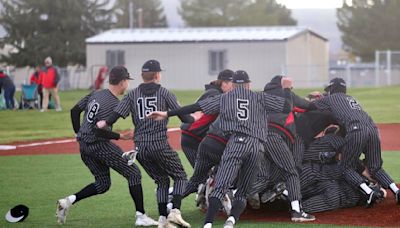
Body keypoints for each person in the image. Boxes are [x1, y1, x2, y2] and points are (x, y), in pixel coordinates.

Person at [148, 70, 293, 227]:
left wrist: (167, 113)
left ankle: (208, 223)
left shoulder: (224, 98)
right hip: (256, 146)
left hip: (234, 143)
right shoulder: (259, 97)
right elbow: (287, 107)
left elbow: (195, 106)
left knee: (219, 187)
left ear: (234, 84)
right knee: (243, 191)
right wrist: (287, 89)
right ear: (249, 84)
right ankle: (231, 221)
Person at [55, 66, 158, 226]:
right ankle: (141, 216)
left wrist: (78, 133)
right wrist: (121, 136)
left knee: (103, 184)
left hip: (84, 146)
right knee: (134, 173)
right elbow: (98, 130)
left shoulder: (97, 93)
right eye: (127, 81)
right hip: (99, 145)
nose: (127, 85)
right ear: (123, 82)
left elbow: (75, 111)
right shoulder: (112, 103)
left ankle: (67, 201)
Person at [97, 60, 193, 228]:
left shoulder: (132, 94)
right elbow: (186, 119)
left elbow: (116, 114)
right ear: (157, 75)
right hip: (159, 144)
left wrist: (103, 123)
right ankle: (175, 212)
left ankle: (163, 219)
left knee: (162, 180)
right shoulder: (164, 93)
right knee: (180, 177)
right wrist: (195, 117)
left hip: (140, 148)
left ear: (142, 76)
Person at [311, 77, 400, 207]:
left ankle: (368, 192)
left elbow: (309, 106)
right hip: (373, 130)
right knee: (375, 167)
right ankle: (396, 191)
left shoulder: (331, 98)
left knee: (346, 167)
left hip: (357, 130)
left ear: (332, 89)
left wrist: (314, 97)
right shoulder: (351, 99)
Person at [180, 69, 234, 168]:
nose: (234, 88)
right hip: (191, 139)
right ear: (224, 83)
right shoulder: (215, 94)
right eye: (232, 84)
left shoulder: (214, 92)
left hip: (195, 137)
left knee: (209, 173)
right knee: (202, 175)